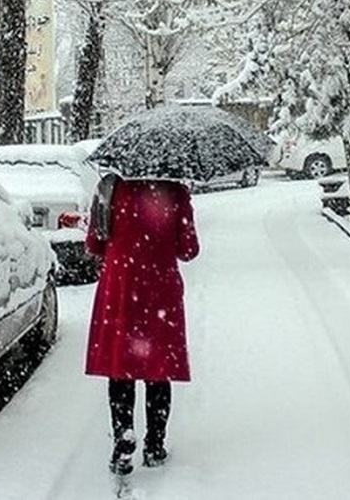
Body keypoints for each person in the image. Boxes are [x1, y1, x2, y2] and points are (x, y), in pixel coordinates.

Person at [85, 173, 200, 475]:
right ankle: (155, 444)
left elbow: (95, 243)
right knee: (158, 367)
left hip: (121, 287)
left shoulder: (110, 188)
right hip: (160, 289)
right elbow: (189, 250)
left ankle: (123, 437)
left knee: (121, 366)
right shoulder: (176, 192)